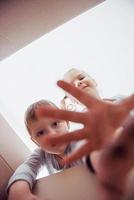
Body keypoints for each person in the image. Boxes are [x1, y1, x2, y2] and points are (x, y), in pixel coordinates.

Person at [37, 80, 134, 200]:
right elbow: (87, 147)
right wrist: (103, 160)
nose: (78, 82)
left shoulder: (120, 99)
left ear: (94, 81)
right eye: (72, 84)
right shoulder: (86, 121)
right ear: (72, 100)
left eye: (81, 77)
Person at [7, 100, 86, 200]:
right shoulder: (42, 153)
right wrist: (18, 191)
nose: (52, 134)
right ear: (36, 142)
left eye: (55, 124)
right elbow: (28, 167)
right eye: (40, 133)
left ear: (67, 122)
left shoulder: (78, 141)